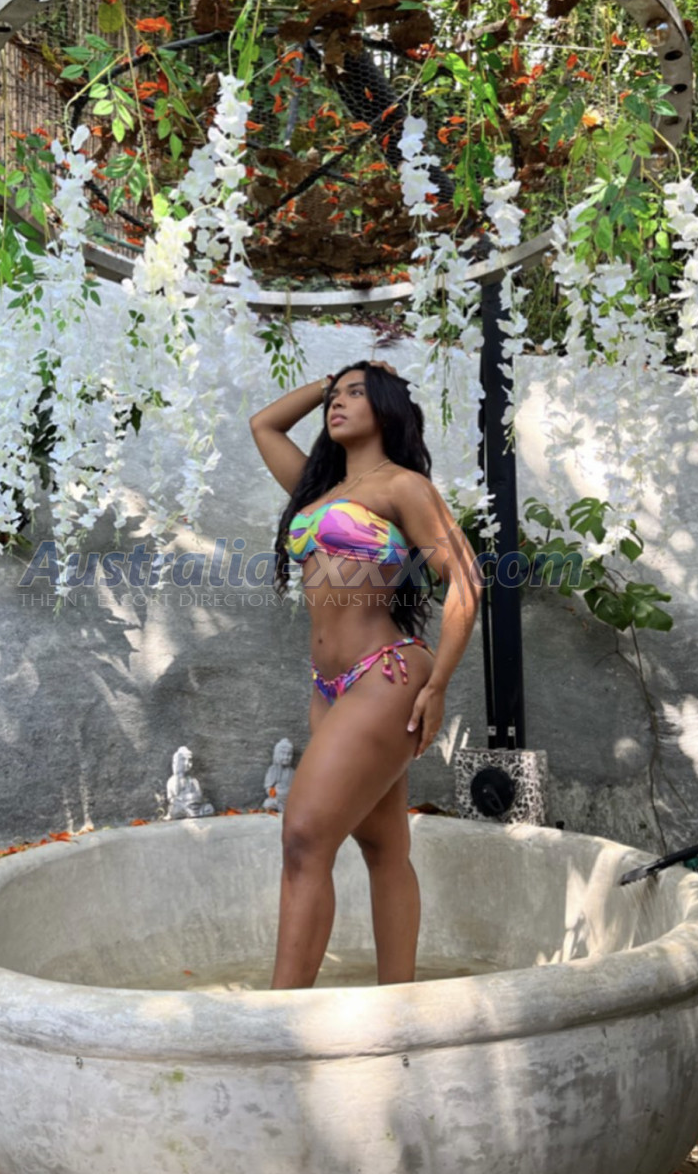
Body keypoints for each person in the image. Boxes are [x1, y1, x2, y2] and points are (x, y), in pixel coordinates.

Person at [249, 359, 481, 989]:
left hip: (388, 675)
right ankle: (398, 1003)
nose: (338, 402)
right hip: (330, 691)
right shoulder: (317, 491)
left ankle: (279, 1020)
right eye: (335, 394)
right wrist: (328, 382)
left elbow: (465, 581)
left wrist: (439, 684)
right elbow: (264, 425)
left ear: (385, 407)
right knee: (384, 849)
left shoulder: (402, 486)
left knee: (303, 838)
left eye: (356, 393)